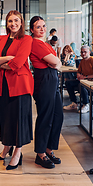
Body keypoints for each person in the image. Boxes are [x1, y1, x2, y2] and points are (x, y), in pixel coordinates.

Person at [0, 10, 34, 170]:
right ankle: (6, 147)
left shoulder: (26, 39)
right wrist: (7, 59)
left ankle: (18, 152)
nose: (13, 24)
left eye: (16, 20)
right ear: (6, 24)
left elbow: (18, 63)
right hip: (3, 85)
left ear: (21, 22)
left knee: (19, 119)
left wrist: (0, 62)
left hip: (20, 85)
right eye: (9, 21)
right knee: (5, 117)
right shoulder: (1, 39)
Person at [29, 16, 64, 169]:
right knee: (45, 117)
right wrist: (55, 63)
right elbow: (57, 62)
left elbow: (57, 61)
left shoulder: (45, 44)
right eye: (38, 27)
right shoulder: (35, 44)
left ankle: (49, 148)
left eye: (44, 26)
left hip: (52, 79)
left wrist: (55, 63)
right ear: (32, 30)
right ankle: (40, 153)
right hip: (44, 81)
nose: (42, 29)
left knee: (58, 116)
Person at [63, 45, 93, 113]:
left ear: (89, 52)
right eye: (82, 52)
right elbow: (79, 71)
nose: (83, 54)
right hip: (85, 80)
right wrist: (78, 75)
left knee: (82, 85)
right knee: (68, 83)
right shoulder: (82, 61)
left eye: (85, 52)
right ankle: (74, 103)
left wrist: (85, 77)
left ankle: (86, 104)